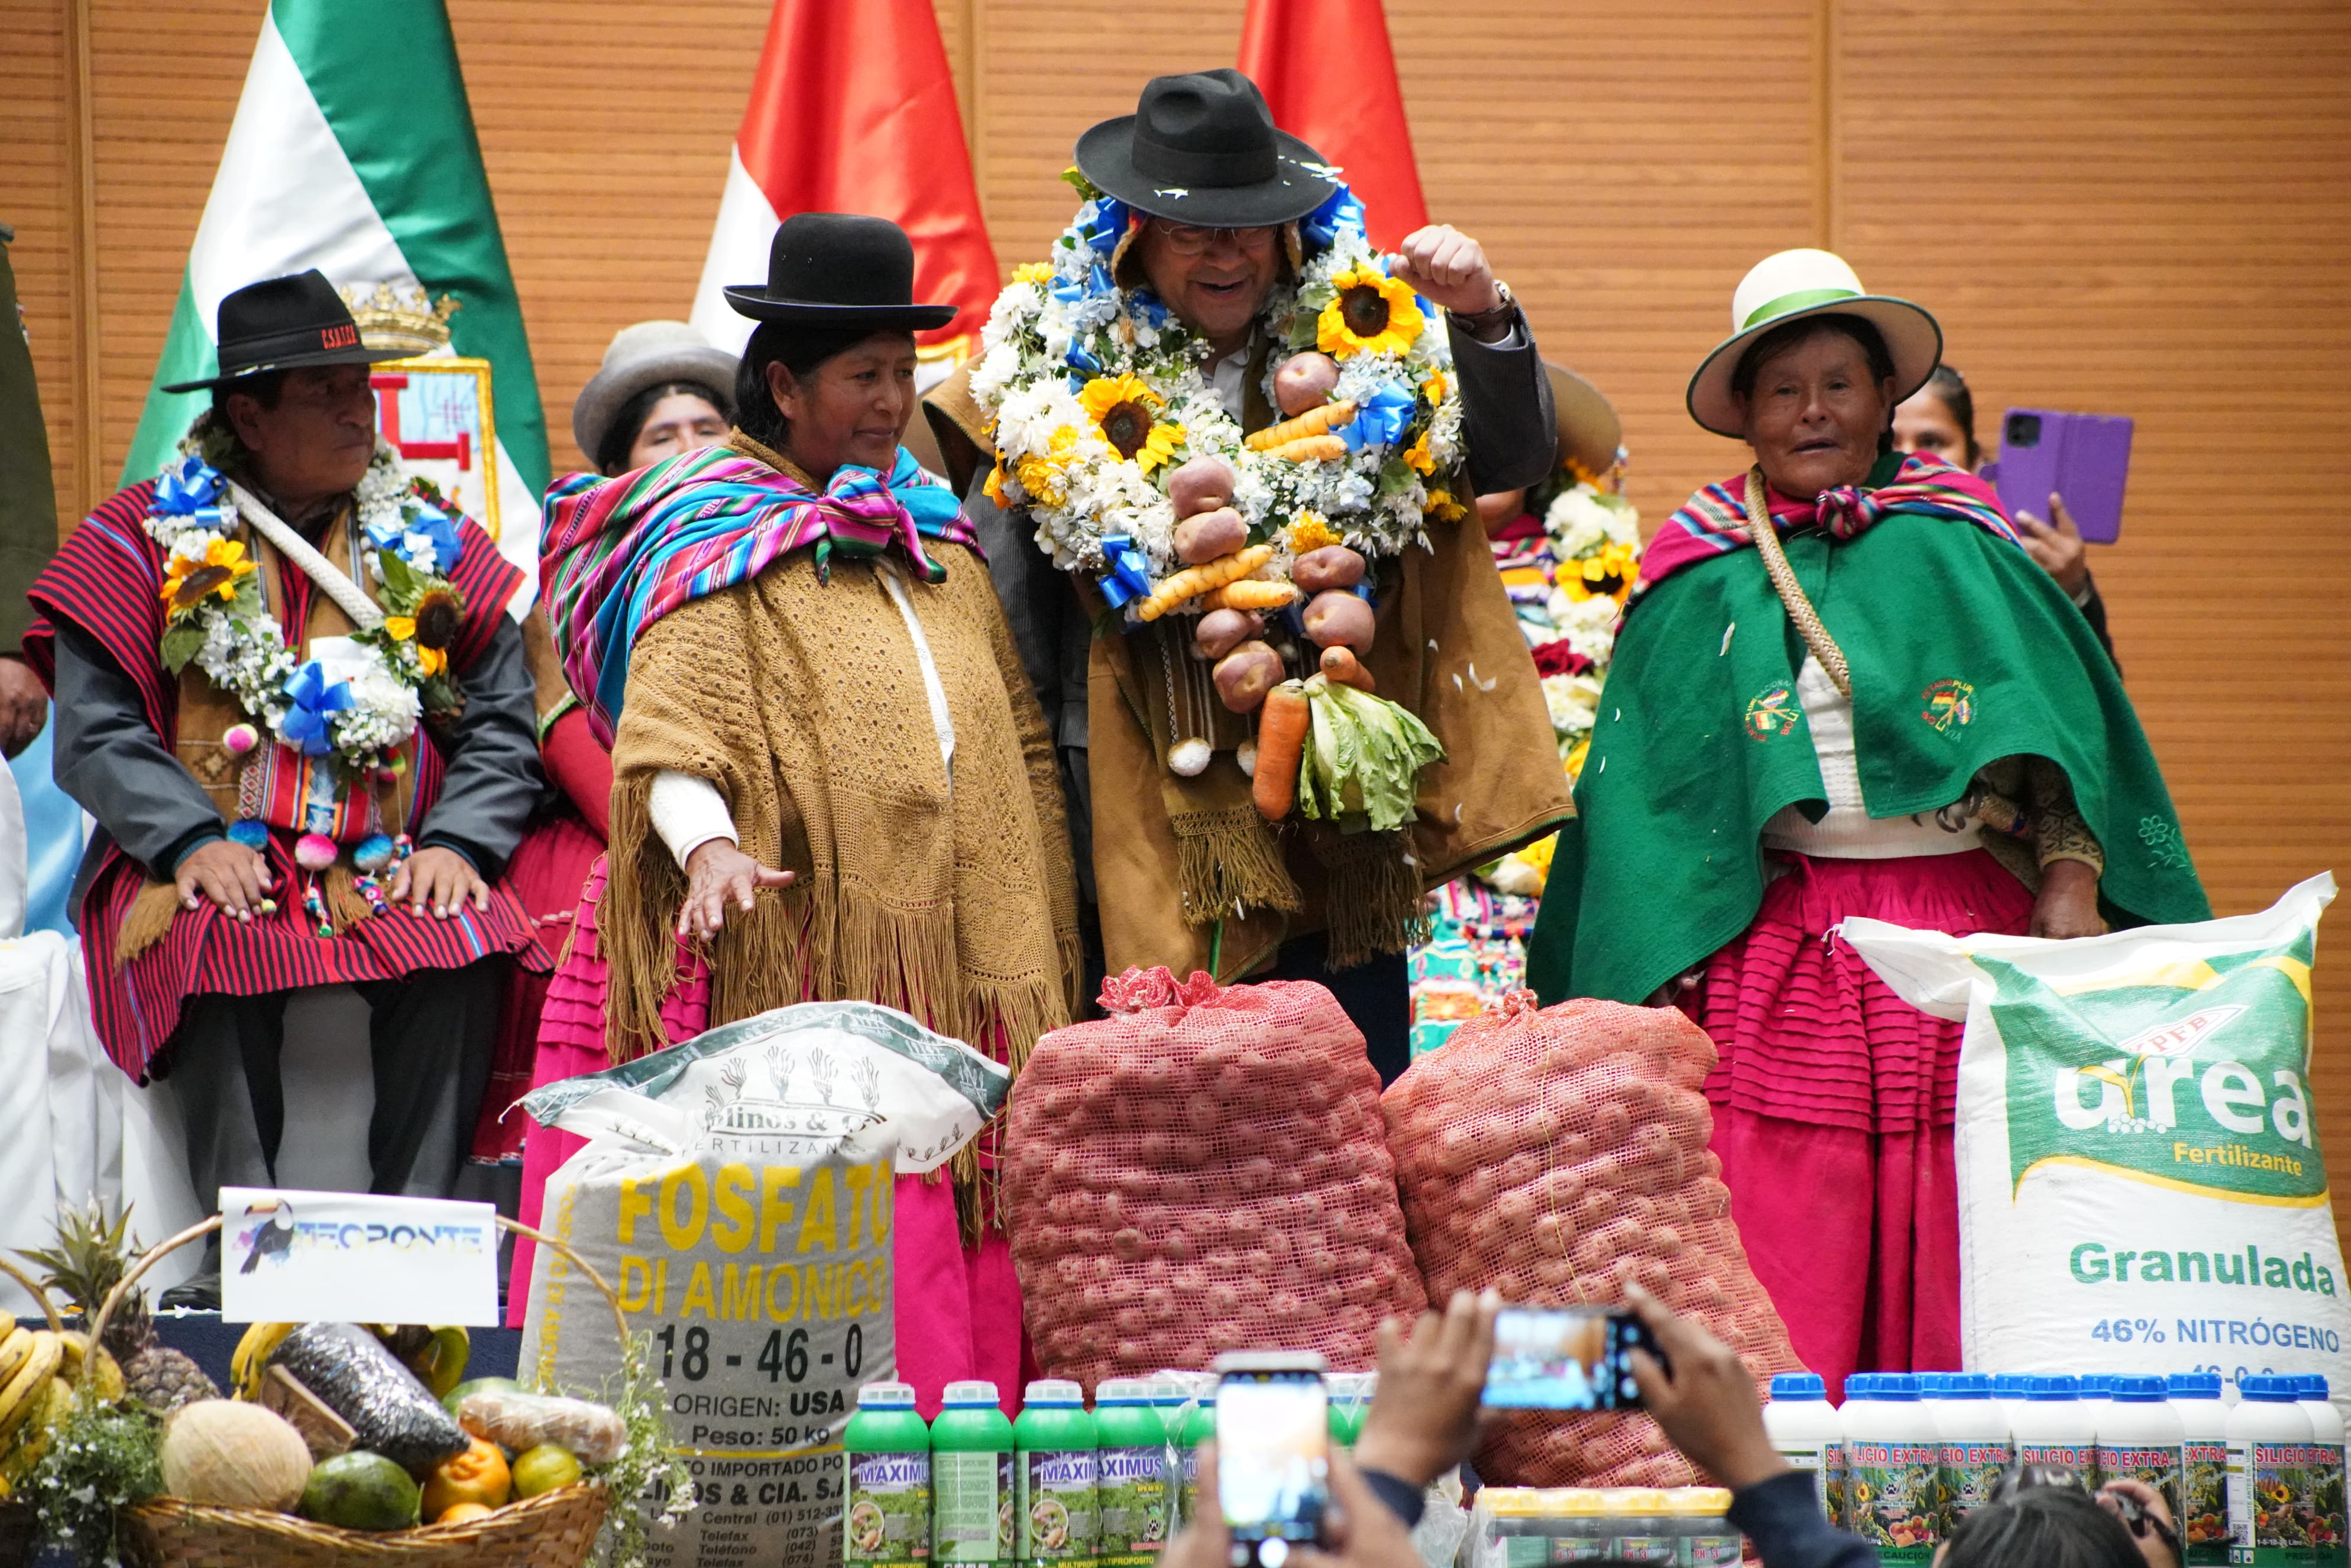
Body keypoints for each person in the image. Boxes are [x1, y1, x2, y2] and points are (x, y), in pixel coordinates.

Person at [1525, 248, 2209, 1392]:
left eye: (1839, 382)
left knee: (1972, 1208)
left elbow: (2060, 729)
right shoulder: (1696, 564)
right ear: (1743, 412)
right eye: (1783, 389)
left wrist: (2070, 879)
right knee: (1774, 1216)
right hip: (1777, 943)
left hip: (1962, 931)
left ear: (1884, 398)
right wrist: (1646, 969)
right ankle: (1777, 1479)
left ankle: (1963, 1499)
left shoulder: (1961, 535)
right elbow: (1648, 791)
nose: (1813, 411)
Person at [537, 213, 1079, 1410]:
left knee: (983, 1196)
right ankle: (868, 1473)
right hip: (824, 964)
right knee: (871, 1222)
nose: (891, 402)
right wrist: (711, 848)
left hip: (977, 954)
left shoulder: (932, 537)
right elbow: (674, 735)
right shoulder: (716, 533)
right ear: (783, 383)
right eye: (863, 377)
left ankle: (983, 1478)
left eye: (902, 373)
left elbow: (1019, 740)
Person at [925, 69, 1565, 1082]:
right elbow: (1002, 612)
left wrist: (1482, 315)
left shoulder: (1368, 338)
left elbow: (1519, 454)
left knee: (1340, 1099)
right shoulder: (1040, 362)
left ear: (1292, 233)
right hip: (1136, 800)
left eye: (1252, 227)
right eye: (1195, 232)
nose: (1228, 253)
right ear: (1134, 233)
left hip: (1333, 804)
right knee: (1165, 1108)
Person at [25, 271, 543, 1303]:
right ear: (247, 415)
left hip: (390, 855)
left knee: (467, 940)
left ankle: (419, 1254)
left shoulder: (431, 538)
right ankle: (245, 1266)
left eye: (364, 386)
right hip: (213, 844)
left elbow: (502, 719)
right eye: (326, 392)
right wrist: (182, 841)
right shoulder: (137, 538)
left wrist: (462, 845)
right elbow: (95, 731)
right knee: (207, 933)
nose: (361, 410)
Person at [493, 323, 736, 1311]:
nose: (687, 451)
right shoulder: (577, 572)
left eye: (707, 427)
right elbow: (573, 734)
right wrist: (680, 831)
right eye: (660, 436)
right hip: (637, 837)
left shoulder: (776, 538)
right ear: (618, 464)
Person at [1893, 363, 2115, 659]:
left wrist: (2073, 594)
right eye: (1890, 444)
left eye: (1932, 442)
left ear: (1975, 461)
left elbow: (2098, 698)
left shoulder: (2015, 565)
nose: (1911, 459)